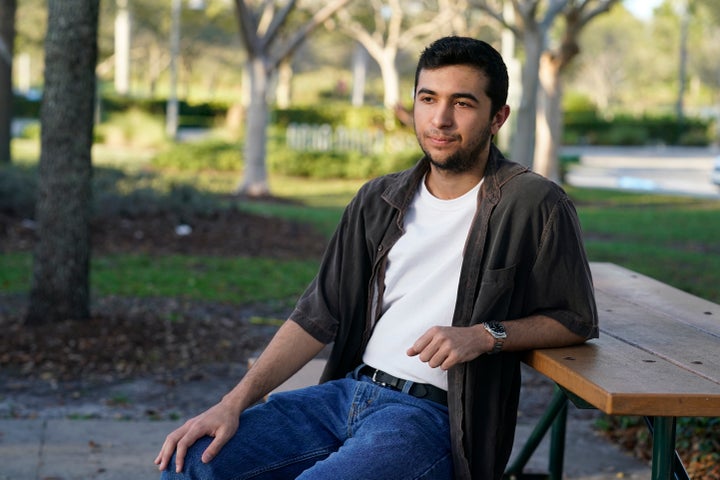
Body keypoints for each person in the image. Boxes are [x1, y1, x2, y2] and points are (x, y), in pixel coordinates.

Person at [155, 36, 598, 480]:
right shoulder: (379, 200)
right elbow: (315, 317)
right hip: (347, 394)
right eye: (428, 99)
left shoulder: (533, 203)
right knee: (191, 463)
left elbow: (575, 319)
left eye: (462, 103)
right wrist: (230, 405)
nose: (440, 119)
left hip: (430, 419)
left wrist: (485, 335)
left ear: (497, 116)